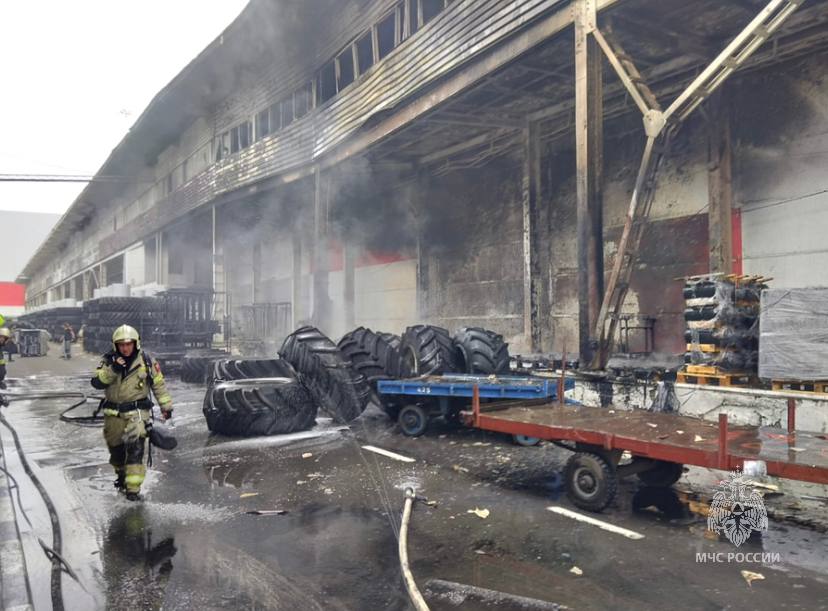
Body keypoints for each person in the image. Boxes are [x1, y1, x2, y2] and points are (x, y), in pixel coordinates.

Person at [91, 325, 173, 501]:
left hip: (137, 413)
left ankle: (133, 490)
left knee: (136, 449)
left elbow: (158, 384)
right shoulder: (107, 360)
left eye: (128, 344)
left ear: (136, 344)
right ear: (115, 345)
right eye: (121, 345)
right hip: (113, 415)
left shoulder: (146, 361)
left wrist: (166, 406)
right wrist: (114, 369)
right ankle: (121, 476)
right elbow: (97, 382)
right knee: (116, 452)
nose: (125, 348)